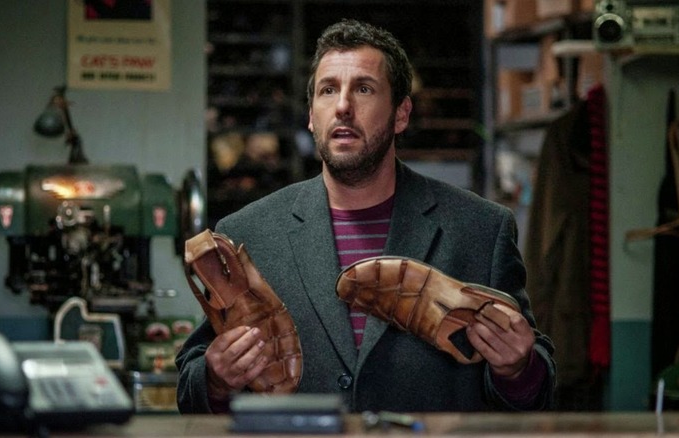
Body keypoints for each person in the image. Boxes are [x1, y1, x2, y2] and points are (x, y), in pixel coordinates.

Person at [176, 19, 555, 413]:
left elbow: (536, 393)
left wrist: (518, 369)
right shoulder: (248, 235)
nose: (343, 106)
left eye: (363, 88)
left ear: (401, 114)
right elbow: (190, 391)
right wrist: (215, 378)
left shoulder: (481, 229)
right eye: (327, 90)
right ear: (311, 115)